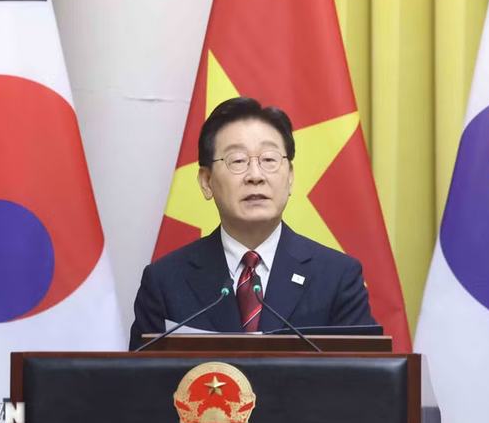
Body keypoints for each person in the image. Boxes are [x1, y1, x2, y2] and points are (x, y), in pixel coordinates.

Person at [129, 97, 374, 349]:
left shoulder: (337, 278)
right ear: (206, 181)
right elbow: (141, 374)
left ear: (290, 177)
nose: (255, 176)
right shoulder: (164, 282)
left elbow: (362, 372)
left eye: (269, 160)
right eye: (237, 160)